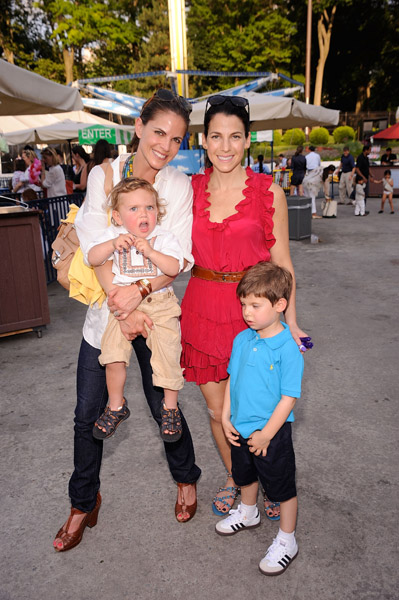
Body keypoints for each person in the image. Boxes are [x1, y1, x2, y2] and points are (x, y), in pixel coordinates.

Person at [53, 89, 201, 553]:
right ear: (138, 127)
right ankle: (82, 503)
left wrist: (137, 297)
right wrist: (122, 309)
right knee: (86, 415)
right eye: (159, 132)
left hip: (153, 309)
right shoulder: (103, 174)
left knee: (165, 407)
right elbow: (96, 242)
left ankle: (186, 479)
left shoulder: (177, 185)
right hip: (106, 313)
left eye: (176, 139)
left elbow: (179, 256)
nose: (165, 145)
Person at [180, 94, 306, 520]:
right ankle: (239, 479)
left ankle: (269, 481)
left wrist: (290, 322)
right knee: (220, 412)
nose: (226, 146)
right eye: (216, 136)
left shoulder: (267, 191)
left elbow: (284, 263)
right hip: (202, 309)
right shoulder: (189, 190)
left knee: (262, 410)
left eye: (235, 136)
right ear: (204, 140)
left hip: (254, 317)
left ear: (248, 140)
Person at [215, 261, 304, 576]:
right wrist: (226, 417)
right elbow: (232, 381)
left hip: (272, 433)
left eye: (255, 305)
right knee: (245, 475)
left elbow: (288, 397)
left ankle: (286, 540)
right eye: (243, 305)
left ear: (280, 305)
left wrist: (267, 433)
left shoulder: (287, 349)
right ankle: (249, 512)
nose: (247, 312)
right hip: (239, 426)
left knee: (281, 488)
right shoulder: (243, 339)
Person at [87, 177, 185, 442]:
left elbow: (174, 268)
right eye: (134, 209)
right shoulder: (113, 236)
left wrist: (151, 251)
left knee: (168, 353)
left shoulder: (163, 237)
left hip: (161, 304)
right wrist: (111, 244)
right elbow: (92, 258)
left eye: (149, 208)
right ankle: (116, 406)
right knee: (112, 354)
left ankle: (170, 408)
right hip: (123, 308)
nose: (144, 214)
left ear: (158, 212)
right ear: (117, 217)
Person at [355, 144, 375, 214]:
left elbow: (367, 168)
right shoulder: (360, 158)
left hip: (366, 178)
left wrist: (371, 175)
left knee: (365, 194)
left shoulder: (366, 158)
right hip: (361, 179)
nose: (370, 152)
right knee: (361, 194)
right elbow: (357, 169)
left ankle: (362, 209)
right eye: (369, 150)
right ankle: (360, 210)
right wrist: (363, 177)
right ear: (365, 150)